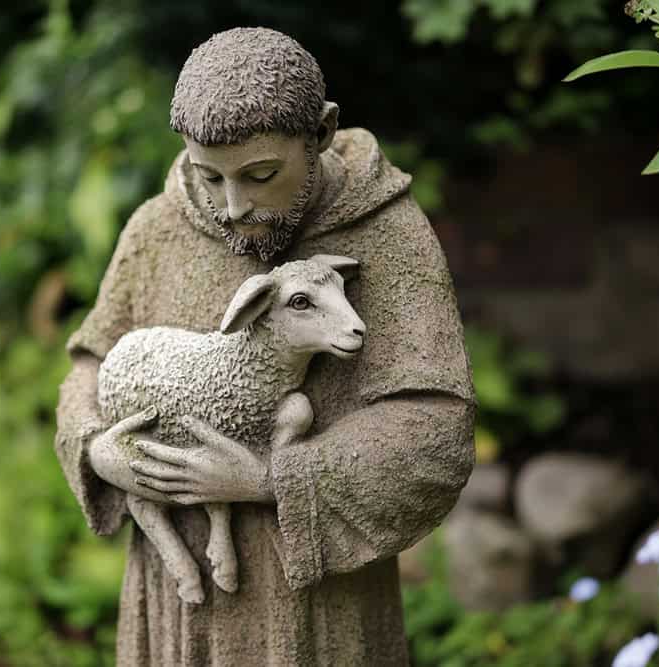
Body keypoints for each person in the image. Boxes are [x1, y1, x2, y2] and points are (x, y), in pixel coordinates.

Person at [54, 27, 475, 666]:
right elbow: (92, 361)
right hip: (176, 608)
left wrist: (273, 479)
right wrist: (95, 448)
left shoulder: (388, 235)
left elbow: (434, 426)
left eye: (260, 175)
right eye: (210, 176)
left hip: (322, 618)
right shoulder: (157, 230)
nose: (232, 206)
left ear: (322, 134)